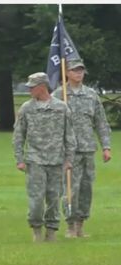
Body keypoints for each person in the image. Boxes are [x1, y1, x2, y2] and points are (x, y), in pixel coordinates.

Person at [13, 72, 76, 242]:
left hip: (57, 161)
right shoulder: (27, 108)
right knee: (36, 200)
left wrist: (69, 159)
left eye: (32, 87)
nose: (29, 91)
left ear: (42, 87)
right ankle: (36, 230)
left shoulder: (61, 107)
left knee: (54, 199)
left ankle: (51, 231)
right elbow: (18, 135)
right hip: (35, 161)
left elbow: (69, 135)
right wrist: (19, 159)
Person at [52, 59, 111, 238]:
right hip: (68, 151)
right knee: (71, 188)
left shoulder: (91, 95)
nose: (79, 73)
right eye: (75, 70)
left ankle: (80, 225)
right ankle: (70, 225)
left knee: (86, 188)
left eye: (81, 70)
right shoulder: (59, 95)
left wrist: (106, 146)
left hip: (88, 149)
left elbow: (101, 122)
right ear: (67, 73)